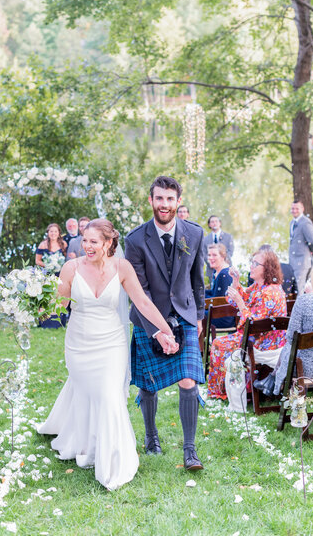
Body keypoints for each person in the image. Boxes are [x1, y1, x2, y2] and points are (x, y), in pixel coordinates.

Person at [38, 219, 176, 490]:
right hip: (79, 343)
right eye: (84, 241)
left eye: (93, 241)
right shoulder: (71, 268)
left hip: (112, 342)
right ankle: (88, 445)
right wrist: (34, 303)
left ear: (109, 243)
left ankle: (115, 461)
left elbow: (143, 302)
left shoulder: (122, 268)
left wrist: (164, 329)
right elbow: (58, 306)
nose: (86, 246)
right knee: (89, 393)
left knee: (110, 396)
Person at [125, 176, 205, 471]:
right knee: (148, 385)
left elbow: (198, 279)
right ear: (151, 201)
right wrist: (158, 330)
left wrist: (198, 316)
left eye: (170, 199)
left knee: (188, 380)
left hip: (184, 315)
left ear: (178, 201)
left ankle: (190, 450)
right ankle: (151, 436)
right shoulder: (135, 240)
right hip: (148, 317)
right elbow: (139, 291)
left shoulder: (194, 234)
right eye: (159, 199)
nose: (165, 205)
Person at [207, 249, 287, 399]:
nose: (251, 266)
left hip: (264, 343)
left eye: (255, 264)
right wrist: (235, 282)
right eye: (252, 262)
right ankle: (240, 388)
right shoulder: (259, 287)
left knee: (218, 343)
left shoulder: (270, 292)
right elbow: (234, 299)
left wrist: (240, 303)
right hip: (257, 338)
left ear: (267, 268)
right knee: (220, 342)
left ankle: (220, 392)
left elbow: (254, 323)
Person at [255, 256, 313, 396]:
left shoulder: (304, 301)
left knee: (290, 344)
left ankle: (272, 381)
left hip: (305, 369)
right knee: (291, 346)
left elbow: (290, 336)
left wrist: (309, 297)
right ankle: (271, 381)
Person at [35, 224, 67, 328]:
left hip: (60, 274)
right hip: (46, 274)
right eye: (51, 231)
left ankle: (59, 321)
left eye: (55, 231)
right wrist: (48, 265)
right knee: (47, 297)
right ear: (48, 233)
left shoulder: (64, 244)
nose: (53, 233)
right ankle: (45, 321)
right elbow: (37, 261)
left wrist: (58, 265)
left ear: (59, 233)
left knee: (59, 296)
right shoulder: (43, 244)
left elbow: (67, 260)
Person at [289, 200, 313, 294]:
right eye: (293, 208)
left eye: (297, 208)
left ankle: (300, 308)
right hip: (293, 261)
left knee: (300, 290)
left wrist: (310, 252)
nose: (294, 210)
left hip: (302, 262)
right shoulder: (292, 222)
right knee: (295, 289)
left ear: (302, 209)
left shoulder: (306, 223)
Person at [205, 243, 235, 329]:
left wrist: (199, 298)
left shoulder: (224, 274)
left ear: (222, 257)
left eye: (214, 255)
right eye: (209, 255)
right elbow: (214, 293)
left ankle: (198, 341)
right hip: (219, 312)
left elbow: (216, 301)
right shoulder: (218, 271)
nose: (210, 258)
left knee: (193, 313)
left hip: (224, 317)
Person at [203, 216, 234, 284]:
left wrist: (221, 263)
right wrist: (213, 262)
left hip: (226, 269)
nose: (214, 223)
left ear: (220, 223)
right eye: (212, 222)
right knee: (214, 291)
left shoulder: (228, 237)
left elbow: (230, 252)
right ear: (209, 224)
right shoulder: (205, 239)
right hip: (211, 270)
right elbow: (204, 254)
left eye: (216, 221)